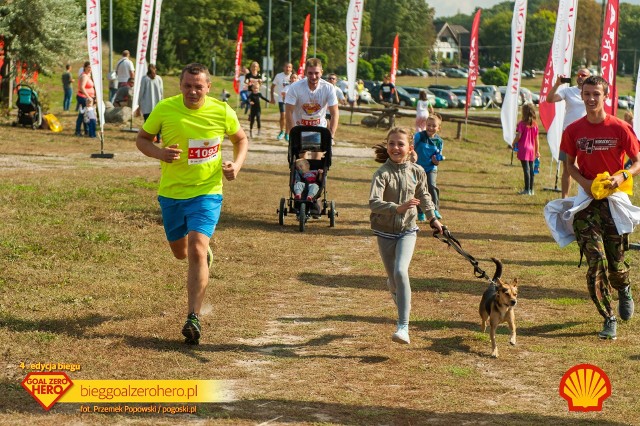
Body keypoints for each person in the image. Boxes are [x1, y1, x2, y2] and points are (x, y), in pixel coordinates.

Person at [135, 63, 249, 345]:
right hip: (172, 194)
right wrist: (160, 153)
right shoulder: (165, 109)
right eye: (188, 85)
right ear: (180, 85)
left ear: (208, 87)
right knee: (180, 253)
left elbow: (241, 139)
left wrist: (237, 164)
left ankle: (193, 317)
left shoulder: (222, 111)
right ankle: (201, 256)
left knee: (197, 247)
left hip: (207, 192)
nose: (193, 91)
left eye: (199, 86)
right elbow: (142, 139)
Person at [560, 76, 640, 340]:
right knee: (597, 262)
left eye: (596, 93)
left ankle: (624, 288)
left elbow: (637, 161)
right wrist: (584, 183)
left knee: (616, 264)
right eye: (587, 94)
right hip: (587, 204)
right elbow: (570, 164)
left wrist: (621, 177)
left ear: (605, 95)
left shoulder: (620, 127)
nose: (591, 98)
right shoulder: (573, 130)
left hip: (614, 203)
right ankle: (609, 317)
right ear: (581, 96)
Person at [369, 126, 443, 344]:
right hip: (384, 232)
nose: (395, 147)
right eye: (391, 143)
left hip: (407, 230)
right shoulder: (381, 174)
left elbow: (424, 195)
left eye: (400, 144)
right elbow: (373, 202)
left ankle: (403, 327)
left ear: (410, 148)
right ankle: (400, 297)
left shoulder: (417, 171)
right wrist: (396, 208)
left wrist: (433, 218)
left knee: (401, 271)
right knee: (393, 281)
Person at [546, 68, 591, 198]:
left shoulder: (591, 93)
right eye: (579, 74)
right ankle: (564, 197)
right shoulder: (568, 91)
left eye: (584, 75)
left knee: (585, 167)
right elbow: (549, 99)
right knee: (568, 167)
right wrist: (557, 85)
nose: (580, 76)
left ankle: (584, 196)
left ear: (589, 77)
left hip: (585, 133)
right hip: (569, 133)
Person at [285, 58, 339, 147]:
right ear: (305, 72)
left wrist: (331, 135)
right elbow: (289, 112)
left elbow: (335, 113)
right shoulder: (295, 87)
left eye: (316, 73)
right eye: (310, 73)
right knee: (301, 158)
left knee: (317, 158)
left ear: (321, 72)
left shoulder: (328, 88)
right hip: (299, 128)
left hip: (319, 129)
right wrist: (293, 134)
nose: (313, 76)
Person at [412, 114, 444, 221]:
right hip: (417, 168)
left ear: (438, 128)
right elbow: (411, 148)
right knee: (418, 190)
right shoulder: (419, 136)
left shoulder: (439, 141)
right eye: (428, 125)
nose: (430, 128)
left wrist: (436, 161)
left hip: (431, 168)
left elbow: (437, 158)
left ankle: (435, 209)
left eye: (433, 126)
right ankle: (420, 212)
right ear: (425, 125)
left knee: (431, 186)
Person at [512, 103, 540, 196]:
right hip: (532, 149)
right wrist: (537, 151)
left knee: (526, 170)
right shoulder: (535, 125)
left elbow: (519, 136)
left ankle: (526, 189)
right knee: (531, 170)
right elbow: (537, 140)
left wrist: (513, 142)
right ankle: (531, 190)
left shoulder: (521, 124)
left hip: (524, 149)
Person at [270, 62, 293, 141]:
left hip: (291, 101)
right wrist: (272, 98)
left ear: (291, 68)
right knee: (283, 115)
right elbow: (272, 87)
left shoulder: (294, 77)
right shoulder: (279, 76)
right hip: (281, 99)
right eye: (286, 67)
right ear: (283, 68)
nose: (288, 69)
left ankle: (287, 133)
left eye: (289, 67)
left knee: (288, 116)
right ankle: (281, 131)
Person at [75, 63, 94, 137]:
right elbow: (82, 87)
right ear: (85, 68)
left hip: (87, 98)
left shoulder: (88, 76)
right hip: (83, 97)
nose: (90, 69)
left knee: (86, 115)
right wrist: (88, 96)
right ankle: (78, 131)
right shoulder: (84, 76)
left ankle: (87, 131)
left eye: (91, 67)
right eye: (88, 67)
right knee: (82, 115)